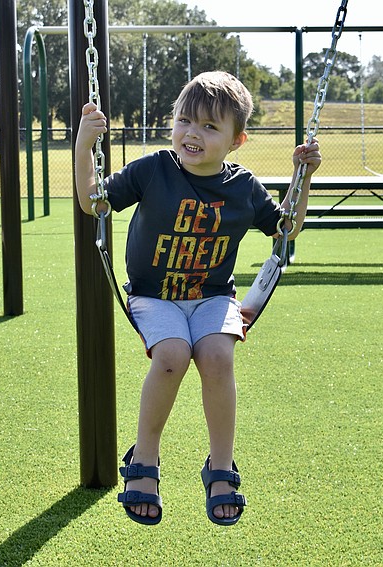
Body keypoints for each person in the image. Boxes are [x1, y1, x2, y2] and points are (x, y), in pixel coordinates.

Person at [74, 70, 321, 526]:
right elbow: (94, 202)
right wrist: (85, 145)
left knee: (216, 357)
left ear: (236, 140)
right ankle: (144, 459)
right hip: (155, 295)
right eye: (185, 120)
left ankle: (221, 465)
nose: (193, 133)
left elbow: (285, 227)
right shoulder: (153, 169)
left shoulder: (243, 187)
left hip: (212, 296)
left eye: (210, 127)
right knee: (172, 356)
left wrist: (301, 176)